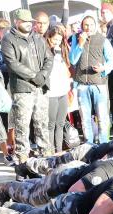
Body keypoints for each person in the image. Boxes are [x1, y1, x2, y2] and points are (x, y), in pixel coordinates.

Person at [3, 9, 53, 164]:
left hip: (41, 87)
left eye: (30, 22)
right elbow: (12, 64)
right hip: (23, 88)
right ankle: (22, 159)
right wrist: (34, 76)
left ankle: (46, 156)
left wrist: (43, 75)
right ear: (17, 22)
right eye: (25, 22)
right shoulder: (8, 39)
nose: (29, 24)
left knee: (42, 123)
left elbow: (49, 58)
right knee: (22, 126)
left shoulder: (38, 38)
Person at [70, 15, 113, 145]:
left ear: (95, 25)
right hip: (82, 85)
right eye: (86, 25)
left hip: (99, 85)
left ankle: (104, 145)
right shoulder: (76, 38)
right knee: (85, 119)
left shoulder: (103, 40)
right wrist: (80, 44)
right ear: (82, 26)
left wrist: (104, 68)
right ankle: (88, 145)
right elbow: (72, 60)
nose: (88, 27)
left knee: (102, 117)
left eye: (91, 24)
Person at [45, 25, 72, 153]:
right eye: (54, 39)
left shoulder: (62, 51)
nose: (57, 42)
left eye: (59, 40)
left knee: (60, 123)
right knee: (50, 124)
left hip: (63, 91)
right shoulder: (45, 51)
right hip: (51, 92)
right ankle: (50, 152)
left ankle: (59, 150)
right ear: (49, 38)